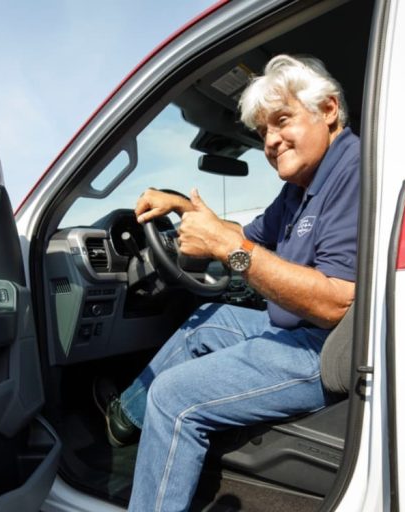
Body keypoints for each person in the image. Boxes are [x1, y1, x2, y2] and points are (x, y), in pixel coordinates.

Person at [101, 54, 360, 511]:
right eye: (263, 132)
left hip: (322, 349)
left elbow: (337, 303)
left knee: (172, 398)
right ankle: (123, 421)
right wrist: (183, 206)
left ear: (329, 110)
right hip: (293, 328)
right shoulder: (302, 186)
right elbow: (244, 237)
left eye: (282, 121)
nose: (272, 141)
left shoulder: (353, 171)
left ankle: (146, 432)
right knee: (206, 320)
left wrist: (226, 250)